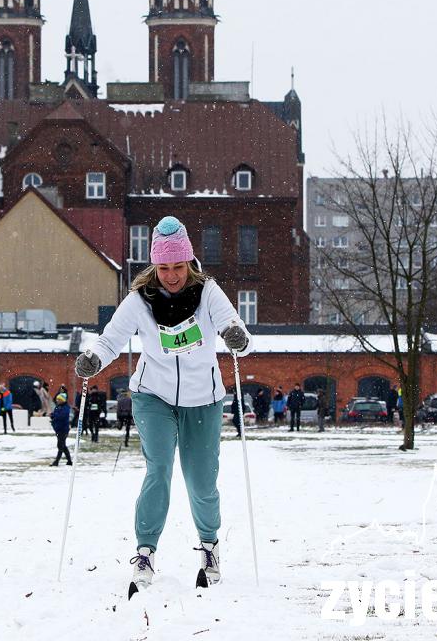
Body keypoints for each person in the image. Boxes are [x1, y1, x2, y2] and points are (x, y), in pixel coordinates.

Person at [76, 216, 251, 592]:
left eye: (177, 267)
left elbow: (233, 326)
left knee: (202, 482)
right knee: (159, 471)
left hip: (203, 400)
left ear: (188, 262)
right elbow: (109, 340)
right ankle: (145, 553)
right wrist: (92, 359)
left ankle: (209, 547)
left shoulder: (207, 293)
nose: (171, 275)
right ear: (154, 266)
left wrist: (235, 336)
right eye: (164, 267)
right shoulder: (140, 300)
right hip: (152, 396)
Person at [50, 392, 73, 466]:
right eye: (57, 399)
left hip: (63, 429)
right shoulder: (58, 406)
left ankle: (56, 461)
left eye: (59, 399)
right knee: (63, 445)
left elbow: (62, 416)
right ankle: (69, 460)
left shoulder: (66, 407)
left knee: (60, 445)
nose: (57, 400)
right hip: (58, 429)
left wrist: (54, 417)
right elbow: (56, 414)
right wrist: (52, 415)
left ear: (63, 400)